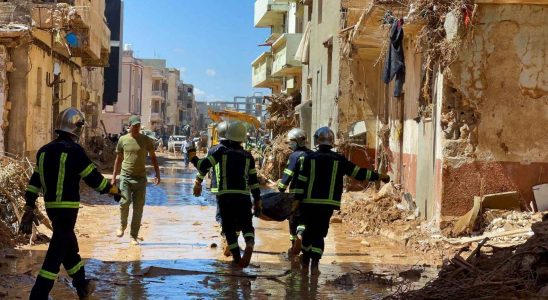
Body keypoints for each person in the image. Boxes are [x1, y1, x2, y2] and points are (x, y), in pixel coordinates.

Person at [19, 108, 121, 299]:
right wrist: (113, 190)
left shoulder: (43, 151)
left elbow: (34, 183)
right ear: (77, 128)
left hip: (52, 209)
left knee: (69, 247)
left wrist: (29, 207)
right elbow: (94, 179)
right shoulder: (74, 151)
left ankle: (82, 286)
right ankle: (38, 295)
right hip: (68, 210)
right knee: (56, 254)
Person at [295, 127, 390, 275]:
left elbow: (301, 181)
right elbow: (358, 173)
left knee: (308, 232)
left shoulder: (309, 158)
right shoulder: (339, 160)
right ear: (332, 142)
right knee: (320, 234)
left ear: (317, 141)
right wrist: (378, 176)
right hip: (327, 205)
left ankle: (305, 260)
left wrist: (296, 201)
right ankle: (315, 264)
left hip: (309, 203)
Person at [189, 121, 261, 268]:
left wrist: (192, 157)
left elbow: (203, 166)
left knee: (228, 227)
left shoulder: (220, 151)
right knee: (247, 224)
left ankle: (236, 258)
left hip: (225, 195)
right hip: (243, 195)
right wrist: (258, 200)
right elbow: (254, 182)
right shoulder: (248, 156)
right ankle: (250, 243)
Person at [111, 115, 161, 245]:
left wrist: (157, 174)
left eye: (139, 125)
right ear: (130, 126)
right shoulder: (123, 140)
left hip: (140, 179)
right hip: (126, 177)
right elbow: (118, 159)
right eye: (135, 125)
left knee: (138, 208)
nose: (137, 128)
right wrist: (114, 178)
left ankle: (133, 236)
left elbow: (154, 157)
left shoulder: (146, 140)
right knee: (124, 202)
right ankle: (122, 226)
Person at [192, 121, 234, 257]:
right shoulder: (241, 151)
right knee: (235, 216)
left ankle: (226, 237)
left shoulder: (215, 150)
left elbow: (204, 167)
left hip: (220, 189)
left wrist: (198, 181)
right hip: (239, 190)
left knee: (221, 215)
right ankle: (232, 241)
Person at [277, 128, 313, 258]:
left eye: (291, 142)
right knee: (305, 219)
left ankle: (293, 245)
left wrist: (281, 188)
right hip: (310, 194)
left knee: (293, 218)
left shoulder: (295, 156)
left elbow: (288, 174)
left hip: (295, 193)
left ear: (298, 141)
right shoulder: (312, 155)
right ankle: (303, 239)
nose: (289, 144)